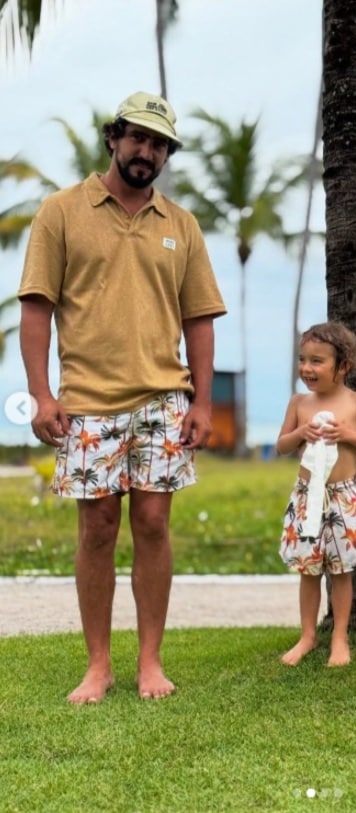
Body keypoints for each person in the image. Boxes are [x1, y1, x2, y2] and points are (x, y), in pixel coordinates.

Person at [18, 91, 227, 703]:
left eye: (159, 143)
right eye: (137, 137)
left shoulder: (180, 225)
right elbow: (37, 310)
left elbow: (200, 321)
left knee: (155, 525)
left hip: (164, 397)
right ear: (114, 138)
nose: (147, 151)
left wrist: (204, 403)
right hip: (86, 399)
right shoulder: (60, 212)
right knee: (98, 529)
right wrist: (40, 395)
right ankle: (98, 665)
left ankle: (151, 662)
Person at [277, 322, 356, 667]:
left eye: (317, 361)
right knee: (309, 570)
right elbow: (281, 446)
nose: (306, 368)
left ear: (343, 366)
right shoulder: (299, 403)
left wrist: (347, 434)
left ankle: (339, 637)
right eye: (302, 359)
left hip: (344, 497)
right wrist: (300, 433)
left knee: (341, 571)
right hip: (308, 496)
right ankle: (307, 636)